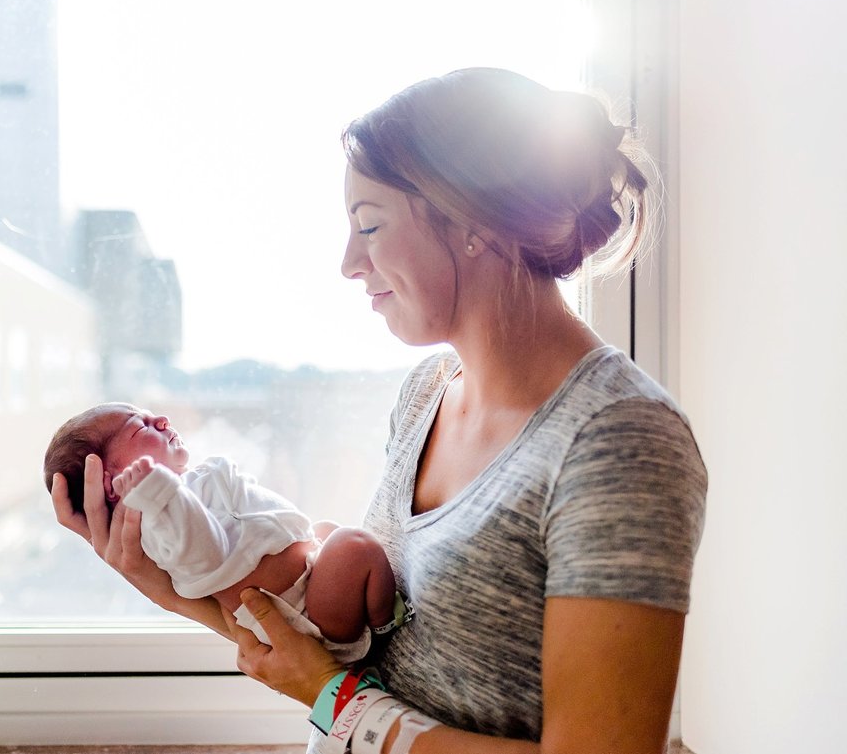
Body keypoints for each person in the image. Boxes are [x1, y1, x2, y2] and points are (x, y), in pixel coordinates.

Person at [50, 67, 707, 754]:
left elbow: (341, 692)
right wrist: (174, 590)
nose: (347, 262)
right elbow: (347, 653)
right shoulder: (427, 393)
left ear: (472, 223)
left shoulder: (619, 440)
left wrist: (332, 699)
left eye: (369, 224)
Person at [43, 402, 408, 664]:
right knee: (352, 544)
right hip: (305, 619)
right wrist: (159, 492)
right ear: (111, 484)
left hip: (305, 583)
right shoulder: (158, 522)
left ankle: (368, 605)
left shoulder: (185, 491)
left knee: (329, 531)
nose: (161, 418)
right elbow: (207, 553)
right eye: (140, 427)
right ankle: (385, 625)